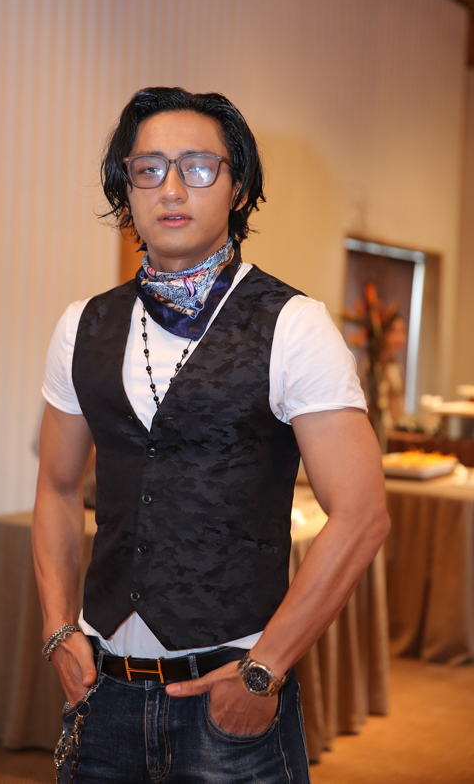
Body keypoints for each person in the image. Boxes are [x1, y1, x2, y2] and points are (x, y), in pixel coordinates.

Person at [32, 87, 390, 783]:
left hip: (232, 687)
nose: (171, 188)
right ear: (126, 189)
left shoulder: (294, 325)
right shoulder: (83, 325)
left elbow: (362, 515)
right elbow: (56, 484)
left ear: (238, 187)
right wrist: (57, 631)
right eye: (148, 168)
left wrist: (263, 670)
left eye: (197, 167)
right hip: (103, 689)